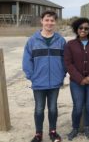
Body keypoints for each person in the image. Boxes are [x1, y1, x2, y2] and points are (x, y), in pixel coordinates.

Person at [22, 10, 66, 142]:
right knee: (39, 109)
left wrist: (61, 74)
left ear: (55, 22)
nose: (49, 23)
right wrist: (32, 76)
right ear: (42, 21)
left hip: (55, 82)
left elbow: (66, 60)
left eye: (52, 20)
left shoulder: (61, 40)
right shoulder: (32, 40)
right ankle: (38, 134)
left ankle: (53, 132)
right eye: (47, 20)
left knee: (53, 108)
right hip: (38, 82)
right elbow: (26, 61)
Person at [64, 17, 89, 140]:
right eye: (81, 28)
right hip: (76, 82)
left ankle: (87, 127)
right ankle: (75, 128)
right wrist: (80, 78)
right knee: (78, 106)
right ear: (76, 29)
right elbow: (68, 63)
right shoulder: (70, 44)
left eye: (86, 28)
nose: (83, 30)